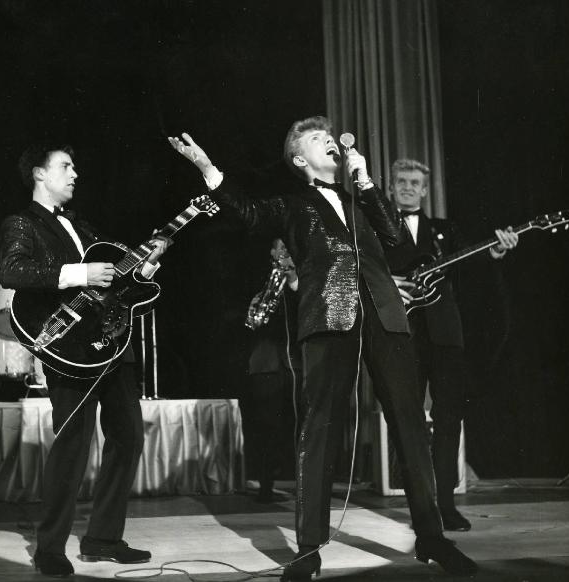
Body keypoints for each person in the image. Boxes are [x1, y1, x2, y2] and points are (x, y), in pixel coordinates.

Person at [169, 117, 478, 579]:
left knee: (411, 423)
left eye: (331, 137)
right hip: (330, 315)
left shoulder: (361, 199)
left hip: (386, 315)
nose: (330, 142)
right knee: (320, 428)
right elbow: (249, 213)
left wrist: (367, 179)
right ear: (300, 159)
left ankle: (431, 537)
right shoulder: (294, 204)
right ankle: (308, 547)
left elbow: (394, 235)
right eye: (318, 140)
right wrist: (208, 168)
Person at [0, 144, 168, 577]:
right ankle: (50, 547)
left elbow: (117, 282)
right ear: (39, 173)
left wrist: (144, 269)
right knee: (73, 443)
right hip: (67, 347)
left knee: (128, 435)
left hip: (110, 344)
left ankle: (103, 539)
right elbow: (12, 272)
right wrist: (80, 273)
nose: (75, 173)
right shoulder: (22, 223)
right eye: (65, 166)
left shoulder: (83, 227)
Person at [385, 158, 518, 531]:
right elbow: (370, 270)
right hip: (402, 336)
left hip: (446, 337)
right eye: (402, 181)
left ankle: (446, 504)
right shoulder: (379, 228)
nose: (408, 187)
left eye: (415, 182)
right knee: (408, 423)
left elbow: (471, 267)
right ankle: (420, 508)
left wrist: (496, 251)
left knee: (448, 422)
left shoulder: (446, 231)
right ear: (391, 187)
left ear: (426, 190)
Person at [245, 238, 301, 503]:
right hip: (266, 363)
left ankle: (303, 485)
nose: (281, 253)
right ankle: (266, 487)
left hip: (296, 363)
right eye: (277, 248)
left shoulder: (299, 275)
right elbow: (252, 320)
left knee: (298, 425)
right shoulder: (260, 276)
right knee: (267, 427)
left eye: (286, 249)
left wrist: (292, 280)